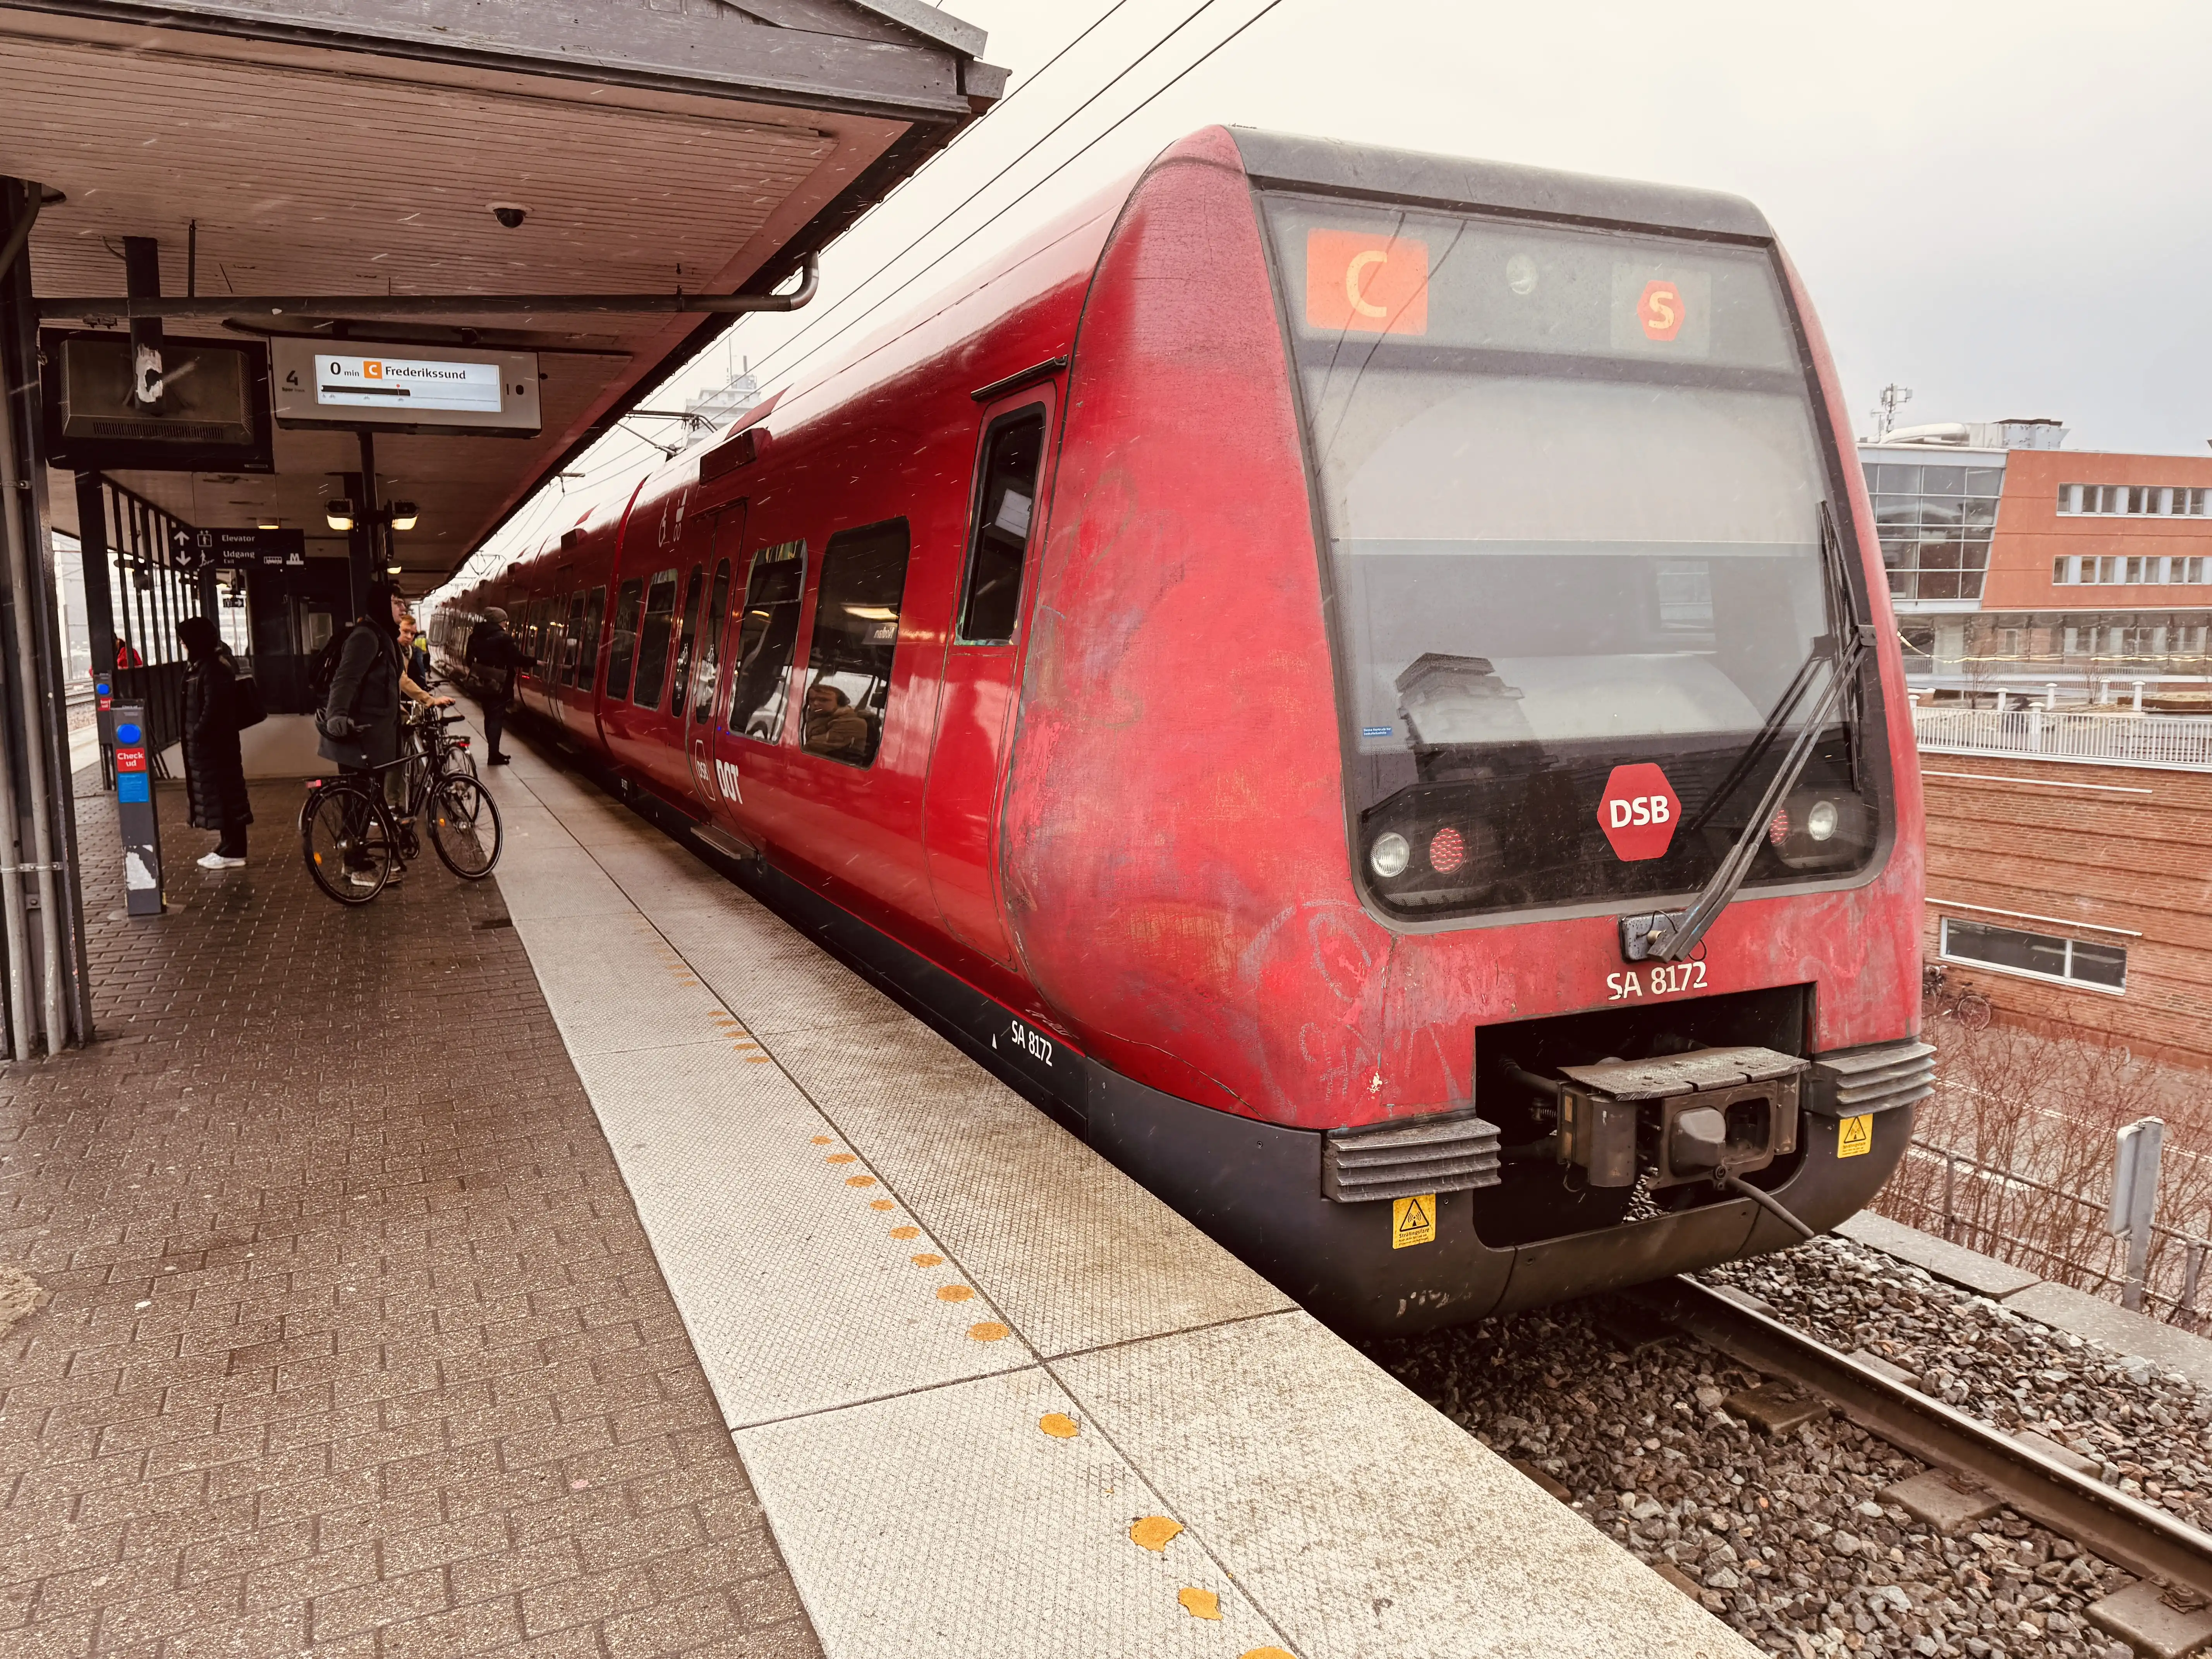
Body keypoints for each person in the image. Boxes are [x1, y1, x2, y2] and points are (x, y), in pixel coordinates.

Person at [319, 582, 408, 888]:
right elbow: (346, 679)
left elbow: (382, 686)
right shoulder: (366, 637)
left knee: (365, 801)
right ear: (383, 605)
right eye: (397, 603)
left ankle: (355, 862)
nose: (403, 609)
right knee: (359, 803)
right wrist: (338, 716)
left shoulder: (384, 637)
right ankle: (357, 866)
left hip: (376, 737)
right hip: (358, 737)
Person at [177, 617, 251, 869]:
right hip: (211, 747)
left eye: (186, 641)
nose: (183, 645)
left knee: (226, 795)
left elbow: (213, 709)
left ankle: (234, 850)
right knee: (221, 796)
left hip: (216, 747)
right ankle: (227, 846)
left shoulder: (213, 669)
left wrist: (198, 734)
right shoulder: (203, 666)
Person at [464, 607, 533, 765]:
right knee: (496, 718)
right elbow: (518, 659)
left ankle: (494, 752)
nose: (506, 624)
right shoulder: (504, 639)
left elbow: (469, 660)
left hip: (482, 684)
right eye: (504, 621)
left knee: (489, 717)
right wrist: (535, 662)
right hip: (499, 685)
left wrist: (483, 670)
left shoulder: (476, 636)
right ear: (500, 622)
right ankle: (493, 755)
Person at [801, 682, 870, 761]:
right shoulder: (820, 716)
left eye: (824, 700)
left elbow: (813, 747)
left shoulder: (853, 723)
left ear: (840, 703)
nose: (815, 703)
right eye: (812, 700)